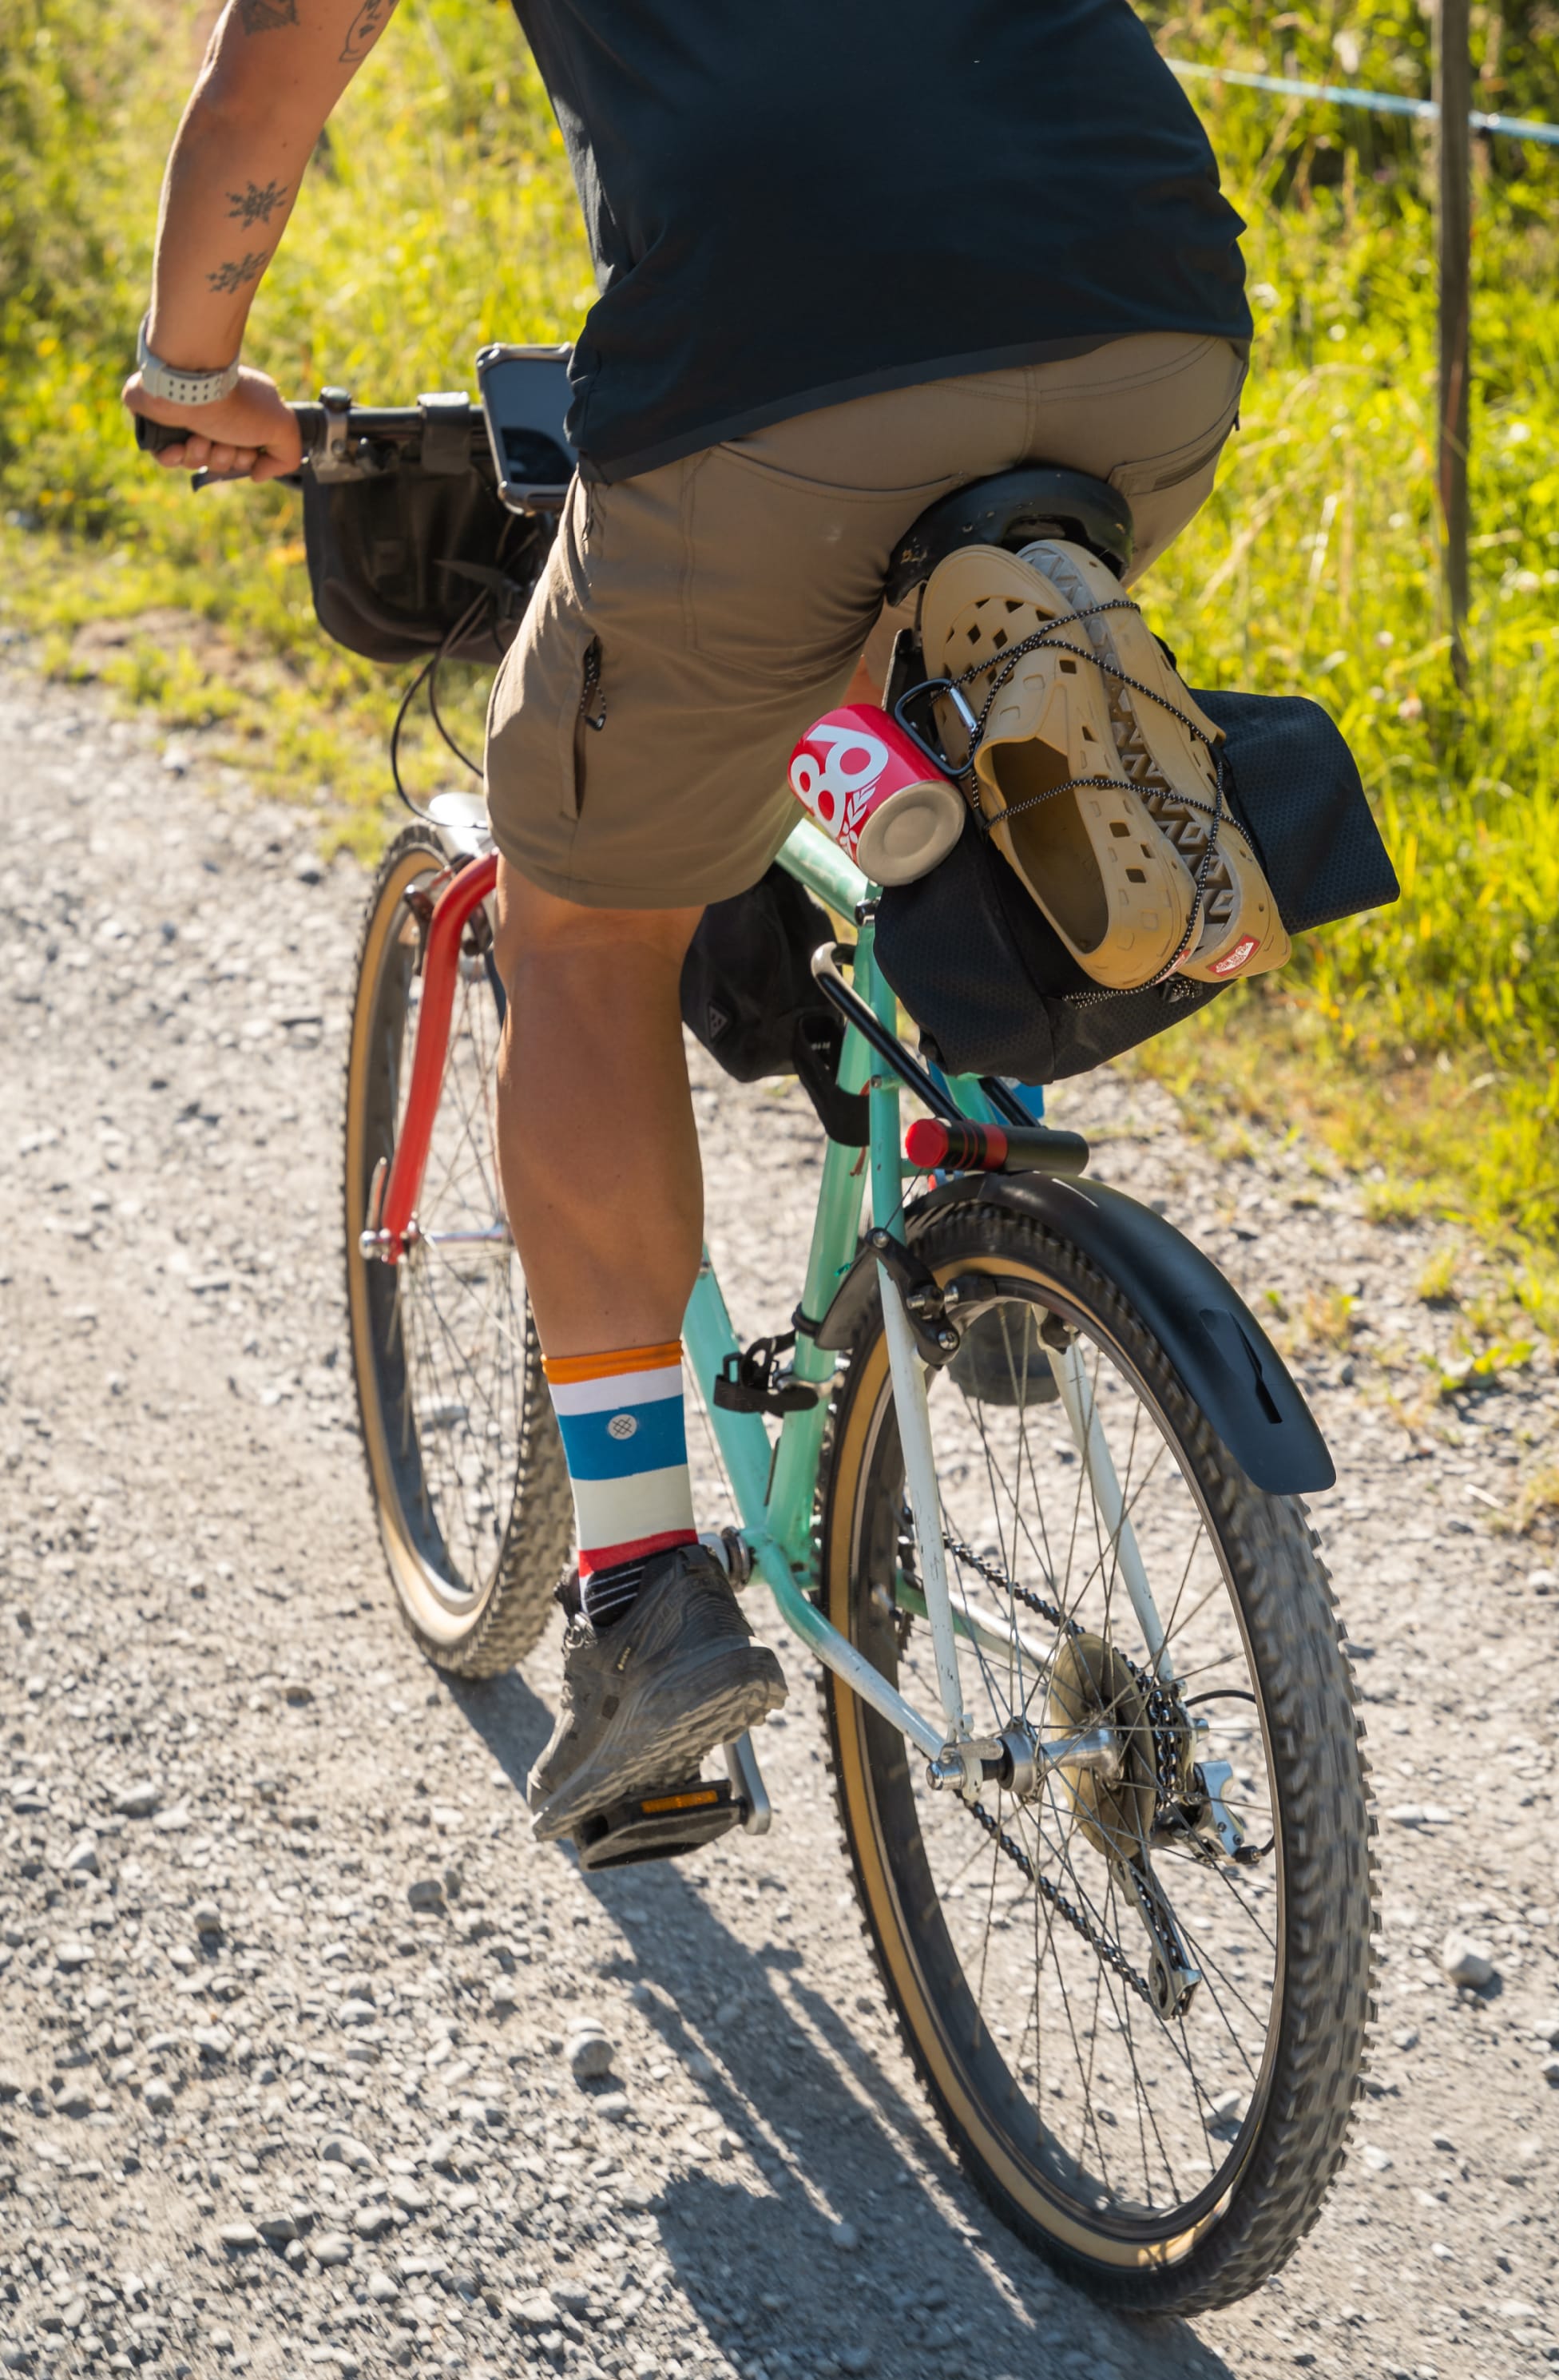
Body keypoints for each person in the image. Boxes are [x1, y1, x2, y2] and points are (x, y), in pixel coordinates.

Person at [125, 0, 1252, 1841]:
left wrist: (194, 372)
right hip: (1148, 321)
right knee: (930, 638)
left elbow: (273, 75)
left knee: (583, 919)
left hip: (773, 374)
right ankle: (975, 1049)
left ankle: (640, 1594)